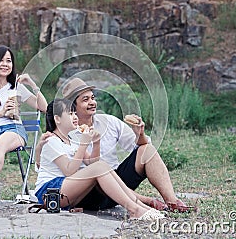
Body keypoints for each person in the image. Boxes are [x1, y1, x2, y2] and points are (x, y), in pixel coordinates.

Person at [61, 77, 196, 213]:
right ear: (73, 106)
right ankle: (147, 202)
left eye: (93, 98)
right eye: (85, 100)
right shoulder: (66, 132)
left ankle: (173, 202)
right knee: (100, 173)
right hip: (89, 193)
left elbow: (141, 147)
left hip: (117, 184)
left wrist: (140, 134)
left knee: (147, 150)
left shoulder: (109, 121)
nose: (92, 103)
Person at [34, 98, 165, 220]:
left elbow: (93, 164)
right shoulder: (51, 141)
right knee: (100, 167)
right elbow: (69, 170)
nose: (75, 117)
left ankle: (140, 207)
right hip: (50, 194)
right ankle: (134, 210)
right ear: (57, 119)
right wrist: (84, 144)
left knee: (103, 166)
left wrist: (96, 143)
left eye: (75, 113)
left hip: (68, 192)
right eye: (70, 114)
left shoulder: (72, 140)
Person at [0, 45, 47, 203]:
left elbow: (44, 107)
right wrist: (0, 113)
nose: (5, 64)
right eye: (1, 60)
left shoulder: (16, 87)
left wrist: (32, 84)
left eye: (9, 61)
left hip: (14, 130)